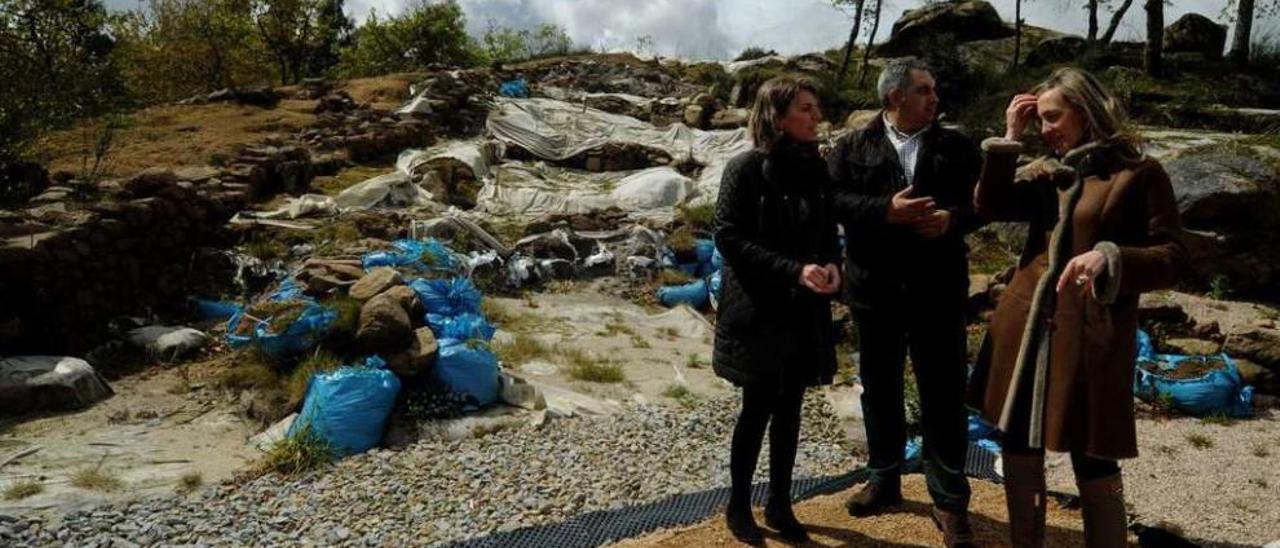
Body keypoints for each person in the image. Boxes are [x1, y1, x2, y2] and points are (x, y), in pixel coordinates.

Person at [968, 67, 1189, 547]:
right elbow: (990, 206)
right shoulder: (1050, 174)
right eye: (1039, 120)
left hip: (1090, 333)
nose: (1045, 130)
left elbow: (1172, 257)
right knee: (1017, 441)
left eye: (1052, 117)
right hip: (1025, 328)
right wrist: (1009, 139)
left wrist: (1109, 257)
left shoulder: (1139, 174)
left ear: (1086, 113)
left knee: (1092, 452)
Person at [826, 57, 982, 547]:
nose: (935, 98)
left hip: (938, 289)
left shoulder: (955, 145)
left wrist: (952, 221)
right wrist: (884, 212)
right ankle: (884, 479)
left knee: (943, 392)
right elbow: (831, 199)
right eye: (924, 91)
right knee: (879, 387)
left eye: (934, 90)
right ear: (895, 97)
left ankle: (949, 501)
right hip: (875, 289)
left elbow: (983, 203)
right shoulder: (853, 146)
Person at [713, 75, 842, 544]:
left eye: (815, 107)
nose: (815, 116)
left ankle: (781, 502)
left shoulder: (817, 170)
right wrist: (792, 270)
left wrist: (833, 266)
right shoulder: (745, 169)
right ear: (777, 115)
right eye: (805, 108)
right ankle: (739, 504)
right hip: (758, 309)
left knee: (792, 409)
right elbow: (728, 236)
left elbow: (829, 231)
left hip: (804, 310)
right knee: (758, 407)